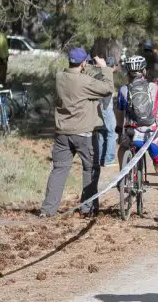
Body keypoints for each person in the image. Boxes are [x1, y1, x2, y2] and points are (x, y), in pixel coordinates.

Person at [40, 48, 114, 217]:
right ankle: (87, 208)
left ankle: (47, 210)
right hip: (84, 134)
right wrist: (105, 68)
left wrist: (85, 66)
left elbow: (77, 73)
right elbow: (108, 88)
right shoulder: (85, 82)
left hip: (62, 133)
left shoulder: (60, 77)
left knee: (59, 170)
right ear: (83, 63)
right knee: (91, 169)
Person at [116, 56, 158, 200]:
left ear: (128, 72)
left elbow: (120, 112)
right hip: (151, 136)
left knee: (122, 148)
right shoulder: (154, 87)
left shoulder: (123, 90)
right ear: (144, 71)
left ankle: (123, 177)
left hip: (132, 135)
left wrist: (119, 128)